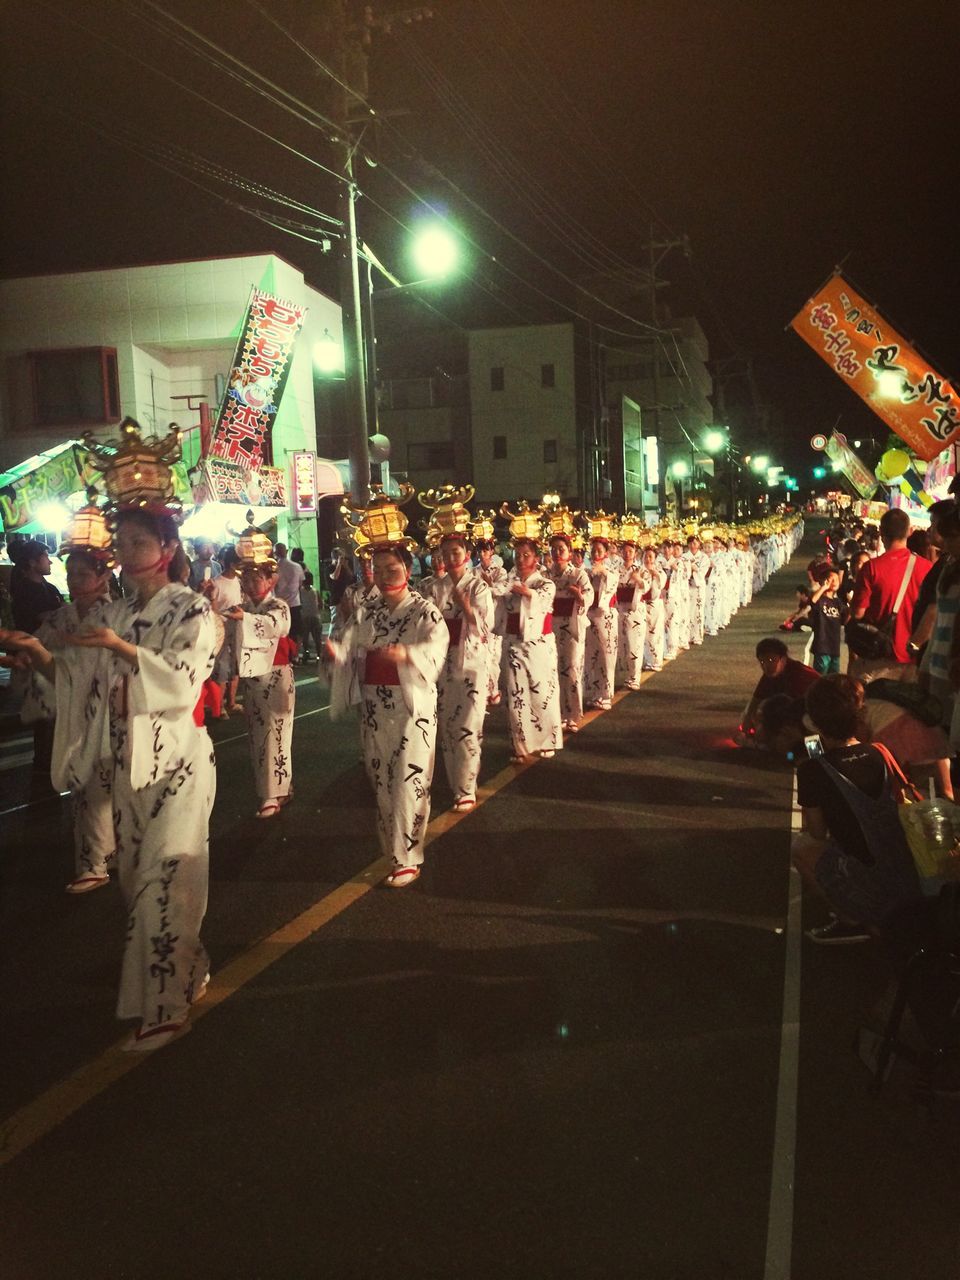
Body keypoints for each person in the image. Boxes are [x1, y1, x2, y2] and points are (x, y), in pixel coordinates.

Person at [0, 421, 217, 1051]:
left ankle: (166, 1005)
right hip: (126, 763)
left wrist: (125, 650)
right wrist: (38, 658)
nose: (123, 549)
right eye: (120, 539)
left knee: (168, 878)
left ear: (168, 545)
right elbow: (81, 682)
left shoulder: (191, 609)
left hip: (176, 762)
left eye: (136, 538)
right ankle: (189, 966)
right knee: (136, 884)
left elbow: (183, 680)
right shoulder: (114, 612)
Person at [326, 495, 448, 888]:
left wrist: (407, 654)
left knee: (409, 781)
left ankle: (408, 855)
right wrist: (338, 654)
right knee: (381, 780)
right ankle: (395, 851)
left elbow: (435, 648)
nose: (383, 574)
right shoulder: (368, 610)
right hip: (376, 709)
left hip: (411, 708)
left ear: (408, 567)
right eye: (376, 568)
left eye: (391, 566)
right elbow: (349, 646)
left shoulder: (424, 611)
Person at [15, 509, 116, 893]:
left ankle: (100, 857)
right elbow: (43, 649)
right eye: (71, 574)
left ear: (104, 575)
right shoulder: (63, 616)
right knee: (85, 785)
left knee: (103, 786)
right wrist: (25, 655)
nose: (74, 582)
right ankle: (95, 859)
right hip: (76, 709)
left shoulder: (116, 616)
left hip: (109, 708)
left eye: (83, 575)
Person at [792, 675, 921, 943]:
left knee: (801, 847)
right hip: (909, 874)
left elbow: (816, 833)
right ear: (858, 714)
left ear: (814, 721)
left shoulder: (813, 769)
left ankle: (852, 920)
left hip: (872, 886)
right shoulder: (880, 752)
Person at [423, 491, 494, 811]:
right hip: (442, 664)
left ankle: (467, 786)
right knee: (447, 726)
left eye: (456, 552)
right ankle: (455, 784)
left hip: (470, 663)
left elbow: (485, 627)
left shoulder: (478, 586)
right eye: (445, 552)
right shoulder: (432, 588)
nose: (451, 558)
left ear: (466, 554)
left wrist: (466, 607)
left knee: (468, 723)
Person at [227, 528, 295, 819]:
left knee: (275, 733)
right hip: (252, 678)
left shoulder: (277, 605)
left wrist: (248, 619)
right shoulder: (242, 607)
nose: (253, 583)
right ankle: (280, 787)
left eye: (259, 578)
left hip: (276, 675)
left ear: (272, 579)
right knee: (258, 733)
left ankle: (272, 794)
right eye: (249, 578)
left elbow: (278, 626)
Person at [495, 513, 563, 761]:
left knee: (542, 692)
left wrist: (525, 592)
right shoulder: (507, 582)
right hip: (513, 642)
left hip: (539, 644)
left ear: (536, 558)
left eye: (527, 555)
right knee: (515, 693)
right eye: (518, 555)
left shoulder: (545, 584)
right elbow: (497, 609)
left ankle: (547, 740)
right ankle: (520, 744)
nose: (521, 559)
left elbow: (541, 604)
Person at [849, 507, 930, 682]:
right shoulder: (927, 568)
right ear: (910, 531)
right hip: (914, 657)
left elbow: (858, 613)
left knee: (872, 706)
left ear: (881, 532)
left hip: (879, 656)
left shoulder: (871, 568)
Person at [545, 524, 590, 733]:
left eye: (561, 549)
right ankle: (559, 713)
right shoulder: (545, 576)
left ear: (569, 552)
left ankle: (573, 713)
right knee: (553, 670)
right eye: (553, 549)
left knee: (571, 669)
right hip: (551, 627)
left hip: (571, 626)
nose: (557, 553)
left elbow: (588, 595)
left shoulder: (578, 574)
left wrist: (580, 596)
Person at [738, 637, 819, 740]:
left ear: (783, 659)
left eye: (771, 660)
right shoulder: (772, 674)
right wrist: (748, 718)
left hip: (820, 714)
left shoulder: (798, 675)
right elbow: (757, 697)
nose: (766, 666)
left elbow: (797, 710)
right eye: (762, 662)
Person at [204, 545, 243, 716]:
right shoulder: (217, 583)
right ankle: (219, 707)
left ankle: (232, 702)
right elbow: (211, 609)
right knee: (221, 668)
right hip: (221, 629)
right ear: (232, 564)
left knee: (235, 666)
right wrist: (225, 614)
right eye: (239, 563)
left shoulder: (238, 581)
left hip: (237, 627)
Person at [583, 530, 619, 710]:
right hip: (589, 615)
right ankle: (593, 692)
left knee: (606, 654)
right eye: (593, 551)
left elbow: (612, 584)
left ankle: (605, 694)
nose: (596, 554)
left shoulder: (611, 570)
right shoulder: (585, 571)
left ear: (606, 553)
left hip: (605, 616)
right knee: (590, 655)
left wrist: (603, 572)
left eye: (599, 551)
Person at [614, 528, 649, 691]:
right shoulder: (616, 570)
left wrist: (638, 579)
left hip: (635, 610)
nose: (627, 554)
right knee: (623, 644)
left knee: (634, 644)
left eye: (630, 551)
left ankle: (635, 676)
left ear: (635, 553)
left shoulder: (641, 570)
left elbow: (647, 587)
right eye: (625, 551)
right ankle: (627, 673)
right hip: (620, 609)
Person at [807, 562, 844, 675]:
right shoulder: (820, 600)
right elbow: (812, 601)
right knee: (820, 674)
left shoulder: (837, 602)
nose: (835, 582)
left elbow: (846, 617)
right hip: (822, 645)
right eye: (831, 579)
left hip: (834, 646)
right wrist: (823, 588)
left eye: (837, 580)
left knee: (834, 675)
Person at [274, 542, 304, 646]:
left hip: (279, 605)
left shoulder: (274, 568)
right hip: (295, 604)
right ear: (286, 552)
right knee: (296, 632)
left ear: (275, 554)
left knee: (282, 633)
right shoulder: (297, 567)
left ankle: (286, 655)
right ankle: (295, 655)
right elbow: (300, 584)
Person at [299, 570, 324, 662]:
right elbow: (321, 604)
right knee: (317, 638)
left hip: (305, 617)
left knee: (305, 638)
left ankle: (306, 653)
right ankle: (319, 655)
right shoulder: (315, 591)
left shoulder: (300, 591)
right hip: (315, 616)